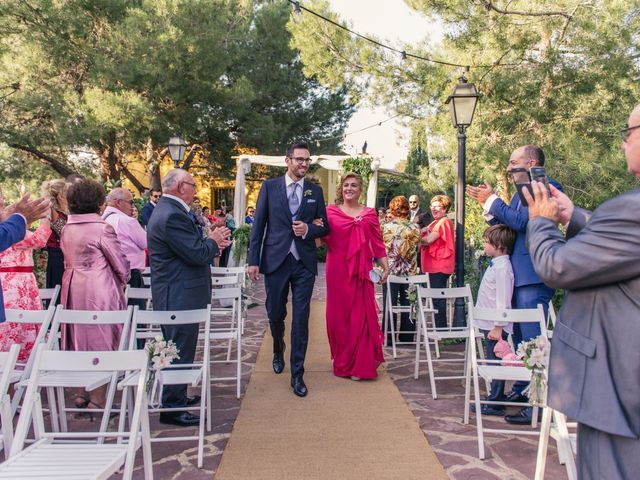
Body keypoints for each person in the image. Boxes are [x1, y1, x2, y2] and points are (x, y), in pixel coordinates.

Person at [521, 106, 640, 479]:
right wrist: (574, 217)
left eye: (629, 131)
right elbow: (623, 248)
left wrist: (540, 221)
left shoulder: (630, 209)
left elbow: (557, 267)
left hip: (616, 386)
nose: (623, 142)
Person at [466, 145, 562, 425]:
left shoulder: (546, 186)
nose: (508, 168)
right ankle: (521, 392)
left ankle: (539, 404)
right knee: (519, 339)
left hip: (532, 276)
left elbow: (524, 223)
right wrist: (488, 208)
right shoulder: (521, 195)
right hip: (518, 278)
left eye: (513, 162)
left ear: (531, 163)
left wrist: (495, 200)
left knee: (534, 342)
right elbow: (511, 226)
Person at [147, 169, 230, 425]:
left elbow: (187, 248)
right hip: (178, 293)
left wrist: (210, 240)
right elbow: (195, 253)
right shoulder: (171, 215)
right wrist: (213, 241)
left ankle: (177, 396)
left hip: (175, 292)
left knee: (175, 346)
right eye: (193, 185)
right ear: (181, 186)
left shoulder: (168, 210)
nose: (195, 191)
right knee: (177, 349)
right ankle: (171, 407)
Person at [248, 141, 329, 397]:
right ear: (288, 160)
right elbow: (258, 225)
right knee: (275, 312)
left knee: (301, 318)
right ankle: (276, 347)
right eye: (299, 159)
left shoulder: (314, 191)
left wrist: (309, 229)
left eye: (307, 160)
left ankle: (297, 373)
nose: (304, 164)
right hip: (275, 259)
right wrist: (253, 260)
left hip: (303, 262)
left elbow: (324, 226)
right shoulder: (270, 187)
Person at [60, 179, 130, 410]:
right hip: (99, 287)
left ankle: (81, 394)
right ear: (98, 202)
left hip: (72, 286)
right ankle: (98, 399)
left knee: (78, 337)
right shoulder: (102, 228)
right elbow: (119, 262)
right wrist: (124, 278)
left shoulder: (67, 228)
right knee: (102, 338)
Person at [320, 173, 389, 380]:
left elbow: (377, 243)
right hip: (337, 271)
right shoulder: (329, 212)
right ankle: (342, 360)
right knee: (337, 317)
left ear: (360, 190)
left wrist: (385, 268)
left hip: (361, 271)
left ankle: (360, 364)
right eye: (346, 185)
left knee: (360, 316)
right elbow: (318, 238)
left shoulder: (369, 214)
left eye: (354, 186)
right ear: (341, 189)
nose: (349, 188)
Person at [471, 224, 516, 416]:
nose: (484, 245)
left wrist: (498, 326)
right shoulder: (497, 265)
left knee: (495, 362)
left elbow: (503, 299)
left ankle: (495, 401)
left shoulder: (503, 268)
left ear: (498, 245)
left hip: (495, 325)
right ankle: (493, 397)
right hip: (488, 322)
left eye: (487, 242)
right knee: (492, 360)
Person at [380, 196, 420, 344]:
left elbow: (379, 247)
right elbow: (418, 248)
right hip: (410, 271)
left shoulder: (386, 227)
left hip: (390, 270)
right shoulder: (415, 228)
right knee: (409, 305)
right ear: (407, 210)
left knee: (389, 304)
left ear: (393, 209)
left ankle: (388, 337)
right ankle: (407, 337)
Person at [102, 188, 147, 309]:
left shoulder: (103, 219)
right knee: (136, 315)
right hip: (131, 273)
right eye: (130, 202)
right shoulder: (127, 221)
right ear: (118, 202)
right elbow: (146, 243)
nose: (132, 206)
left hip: (109, 274)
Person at [420, 194, 454, 329]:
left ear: (444, 208)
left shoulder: (443, 222)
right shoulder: (435, 222)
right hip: (434, 265)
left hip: (439, 265)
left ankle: (440, 330)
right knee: (436, 299)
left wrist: (411, 235)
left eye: (437, 206)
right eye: (432, 206)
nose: (433, 209)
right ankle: (439, 329)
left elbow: (428, 240)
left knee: (438, 299)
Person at [41, 179, 68, 290]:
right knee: (58, 289)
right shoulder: (50, 210)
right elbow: (63, 232)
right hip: (57, 256)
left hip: (64, 255)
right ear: (61, 194)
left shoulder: (62, 211)